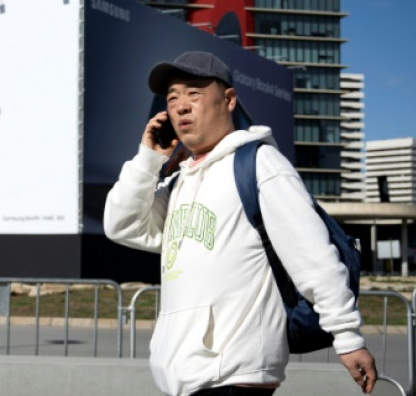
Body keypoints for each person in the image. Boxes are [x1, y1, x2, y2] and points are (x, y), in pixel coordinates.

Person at [104, 51, 377, 396]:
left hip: (235, 374)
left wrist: (347, 336)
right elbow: (121, 224)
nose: (181, 106)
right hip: (186, 376)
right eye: (172, 98)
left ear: (229, 99)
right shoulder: (179, 183)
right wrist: (148, 158)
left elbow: (312, 256)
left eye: (194, 94)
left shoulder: (259, 163)